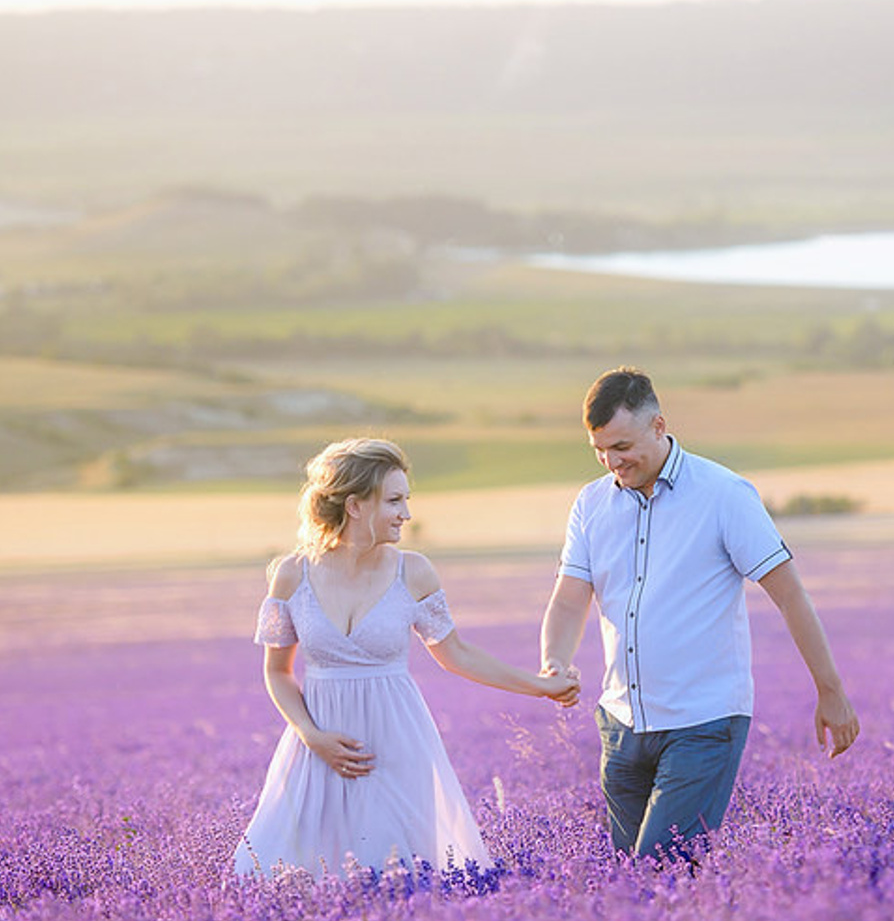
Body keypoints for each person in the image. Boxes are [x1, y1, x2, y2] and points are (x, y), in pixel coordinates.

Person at [540, 367, 859, 860]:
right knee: (630, 883)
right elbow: (568, 598)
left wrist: (830, 690)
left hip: (703, 721)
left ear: (659, 426)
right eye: (599, 449)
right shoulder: (590, 504)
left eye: (622, 446)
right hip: (621, 724)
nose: (611, 461)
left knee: (659, 869)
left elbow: (790, 595)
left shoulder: (724, 494)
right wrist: (554, 661)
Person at [234, 437, 578, 880]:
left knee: (401, 873)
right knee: (297, 878)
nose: (407, 514)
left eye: (406, 499)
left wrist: (542, 685)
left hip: (396, 745)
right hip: (317, 747)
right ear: (355, 505)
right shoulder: (292, 574)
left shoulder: (413, 571)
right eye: (394, 500)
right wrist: (311, 735)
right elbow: (277, 673)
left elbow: (456, 654)